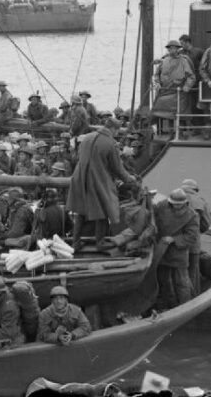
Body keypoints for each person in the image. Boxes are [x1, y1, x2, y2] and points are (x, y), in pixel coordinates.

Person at [67, 117, 137, 251]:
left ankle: (75, 242)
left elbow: (78, 157)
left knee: (81, 210)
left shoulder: (87, 137)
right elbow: (118, 169)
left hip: (79, 177)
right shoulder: (111, 143)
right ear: (113, 129)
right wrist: (130, 179)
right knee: (104, 207)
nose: (117, 134)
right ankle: (100, 242)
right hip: (97, 179)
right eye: (117, 130)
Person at [154, 188, 200, 309]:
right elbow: (153, 220)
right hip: (161, 250)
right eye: (174, 205)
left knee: (182, 282)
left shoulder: (192, 215)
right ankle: (169, 306)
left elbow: (192, 237)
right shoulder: (161, 206)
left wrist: (174, 239)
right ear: (170, 202)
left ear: (185, 202)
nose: (177, 207)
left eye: (179, 205)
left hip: (178, 252)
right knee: (163, 280)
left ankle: (186, 307)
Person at [180, 179, 211, 295]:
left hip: (177, 241)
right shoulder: (198, 201)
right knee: (193, 270)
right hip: (193, 241)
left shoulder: (175, 198)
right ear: (195, 189)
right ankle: (194, 297)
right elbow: (204, 224)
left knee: (180, 271)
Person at [152, 40, 196, 127]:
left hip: (180, 92)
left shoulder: (184, 61)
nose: (171, 50)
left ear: (178, 49)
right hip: (166, 92)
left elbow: (191, 76)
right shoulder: (164, 61)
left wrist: (187, 86)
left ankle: (182, 132)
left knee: (181, 114)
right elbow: (156, 75)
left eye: (174, 48)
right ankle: (171, 132)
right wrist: (157, 84)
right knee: (167, 114)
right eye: (170, 48)